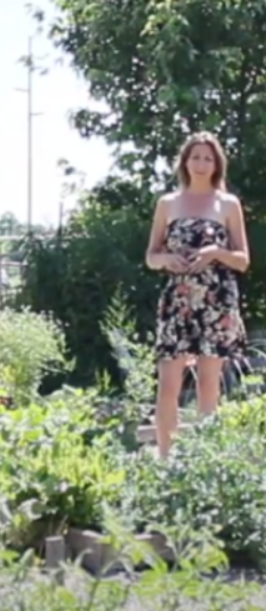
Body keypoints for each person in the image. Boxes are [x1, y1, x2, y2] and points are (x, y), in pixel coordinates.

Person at [145, 131, 251, 458]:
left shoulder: (228, 204)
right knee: (168, 385)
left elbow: (243, 260)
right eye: (196, 157)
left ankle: (206, 461)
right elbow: (151, 256)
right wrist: (167, 259)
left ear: (217, 164)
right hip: (178, 301)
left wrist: (217, 252)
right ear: (185, 162)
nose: (201, 164)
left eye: (208, 158)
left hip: (216, 301)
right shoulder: (167, 203)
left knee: (208, 385)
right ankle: (164, 460)